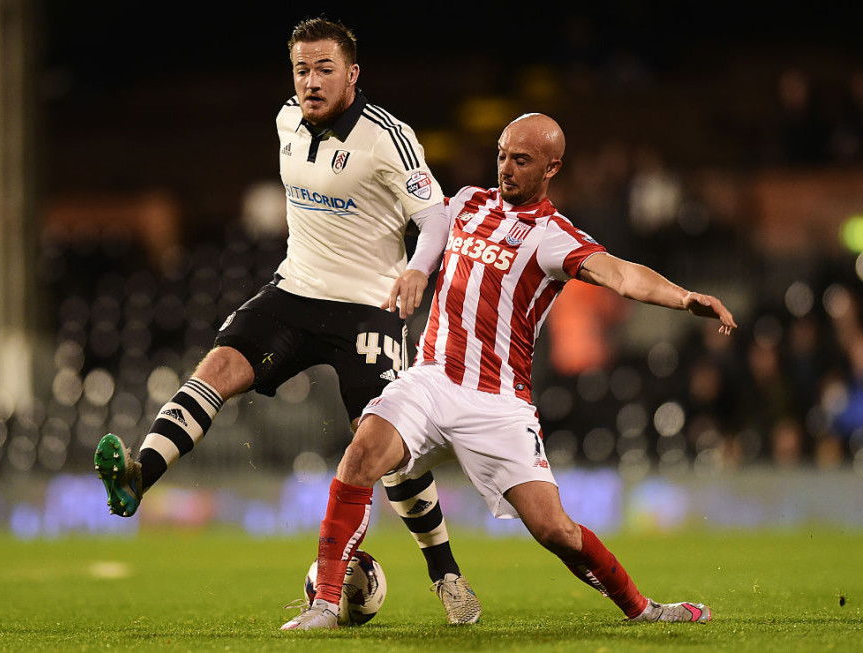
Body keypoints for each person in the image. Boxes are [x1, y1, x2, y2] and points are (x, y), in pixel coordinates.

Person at [280, 113, 737, 630]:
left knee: (555, 531)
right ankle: (324, 604)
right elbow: (406, 216)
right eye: (502, 155)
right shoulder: (466, 203)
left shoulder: (553, 237)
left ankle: (645, 609)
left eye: (521, 160)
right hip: (430, 378)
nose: (506, 168)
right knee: (361, 454)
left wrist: (683, 298)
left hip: (496, 401)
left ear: (551, 168)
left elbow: (621, 274)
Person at [94, 17, 481, 625]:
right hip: (296, 291)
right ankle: (140, 475)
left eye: (325, 68)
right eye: (302, 69)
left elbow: (435, 217)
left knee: (385, 452)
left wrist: (418, 270)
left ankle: (445, 571)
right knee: (218, 366)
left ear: (352, 74)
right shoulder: (285, 122)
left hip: (368, 307)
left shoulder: (389, 138)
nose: (311, 80)